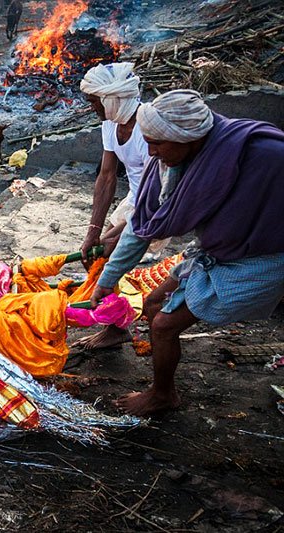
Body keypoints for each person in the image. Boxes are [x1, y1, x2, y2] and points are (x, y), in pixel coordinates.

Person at [89, 89, 284, 416]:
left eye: (157, 144)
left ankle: (163, 394)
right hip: (218, 250)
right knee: (152, 303)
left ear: (187, 138)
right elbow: (143, 226)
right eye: (147, 141)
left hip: (262, 258)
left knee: (164, 325)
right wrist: (107, 280)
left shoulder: (266, 154)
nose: (150, 152)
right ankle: (161, 373)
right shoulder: (171, 162)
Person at [75, 62, 170, 350]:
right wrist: (94, 230)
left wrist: (116, 233)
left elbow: (156, 193)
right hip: (135, 201)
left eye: (94, 102)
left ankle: (116, 327)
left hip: (160, 203)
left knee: (108, 258)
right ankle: (116, 324)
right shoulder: (111, 123)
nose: (92, 109)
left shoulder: (148, 128)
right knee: (101, 252)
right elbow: (106, 176)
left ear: (112, 98)